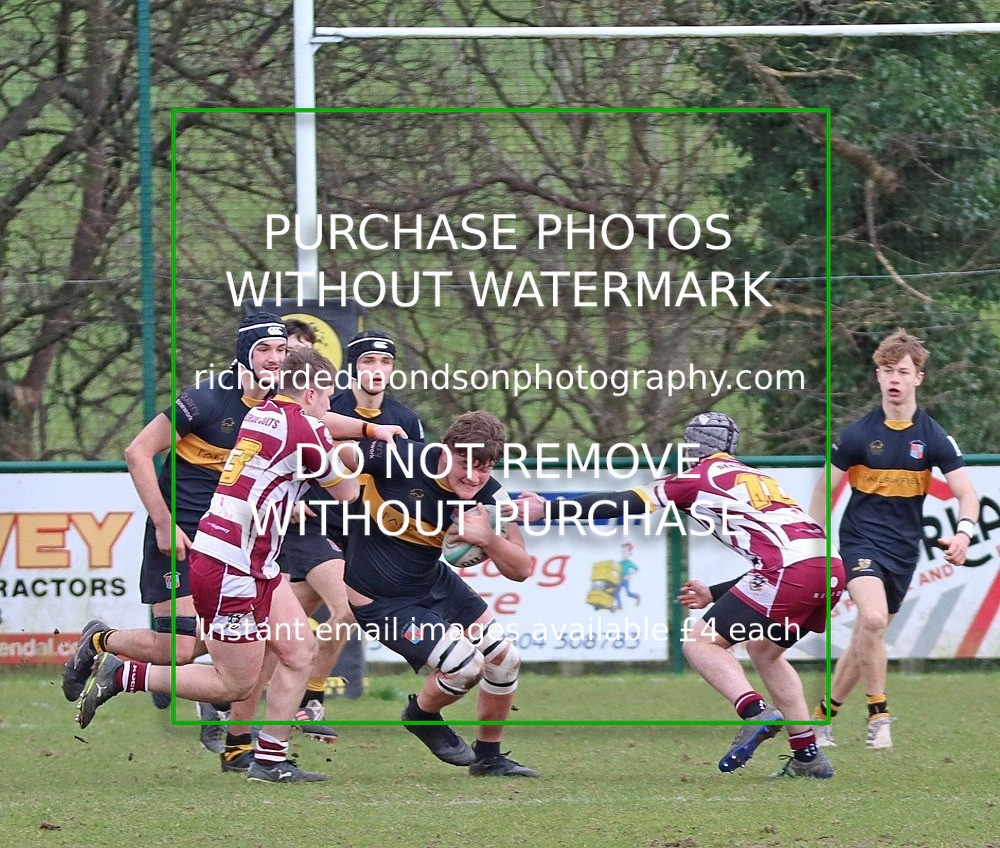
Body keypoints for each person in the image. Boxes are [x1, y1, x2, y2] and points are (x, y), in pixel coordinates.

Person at [61, 313, 404, 770]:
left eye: (281, 350)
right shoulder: (216, 402)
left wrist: (361, 433)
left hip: (244, 553)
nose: (274, 358)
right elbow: (344, 488)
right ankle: (124, 669)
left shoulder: (263, 409)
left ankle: (262, 755)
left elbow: (307, 431)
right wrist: (362, 453)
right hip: (219, 553)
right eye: (265, 349)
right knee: (210, 667)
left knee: (297, 647)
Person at [518, 412, 846, 778]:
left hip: (788, 571)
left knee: (699, 643)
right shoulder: (759, 478)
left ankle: (755, 712)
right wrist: (715, 593)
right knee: (764, 651)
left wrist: (547, 509)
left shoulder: (695, 477)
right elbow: (784, 554)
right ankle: (808, 757)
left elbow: (622, 502)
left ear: (692, 448)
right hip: (830, 567)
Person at [807, 328, 979, 749]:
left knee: (866, 637)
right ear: (878, 377)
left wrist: (963, 534)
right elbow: (823, 492)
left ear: (918, 377)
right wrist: (814, 546)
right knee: (873, 620)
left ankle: (822, 718)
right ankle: (878, 715)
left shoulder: (933, 437)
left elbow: (967, 495)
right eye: (887, 371)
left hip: (903, 552)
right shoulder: (857, 435)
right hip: (860, 542)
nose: (894, 379)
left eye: (902, 371)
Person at [344, 410, 539, 777]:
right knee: (465, 666)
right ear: (445, 450)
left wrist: (489, 538)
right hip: (379, 599)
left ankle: (489, 757)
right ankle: (421, 715)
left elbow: (521, 568)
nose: (473, 477)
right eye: (465, 464)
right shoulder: (398, 456)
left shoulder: (489, 497)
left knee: (505, 659)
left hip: (432, 581)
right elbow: (328, 452)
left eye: (484, 468)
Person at [279, 328, 424, 736]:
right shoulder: (326, 407)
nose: (377, 369)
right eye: (368, 361)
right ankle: (310, 699)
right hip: (314, 525)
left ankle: (221, 686)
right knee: (349, 607)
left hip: (362, 535)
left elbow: (414, 482)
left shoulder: (405, 420)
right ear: (353, 367)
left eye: (385, 362)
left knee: (279, 623)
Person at [613, 542, 640, 609]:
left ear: (629, 552)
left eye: (626, 549)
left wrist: (630, 574)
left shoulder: (629, 562)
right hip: (620, 579)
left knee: (627, 593)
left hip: (625, 579)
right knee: (616, 592)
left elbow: (636, 569)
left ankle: (637, 596)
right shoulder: (620, 562)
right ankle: (620, 605)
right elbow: (617, 570)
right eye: (623, 548)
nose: (624, 550)